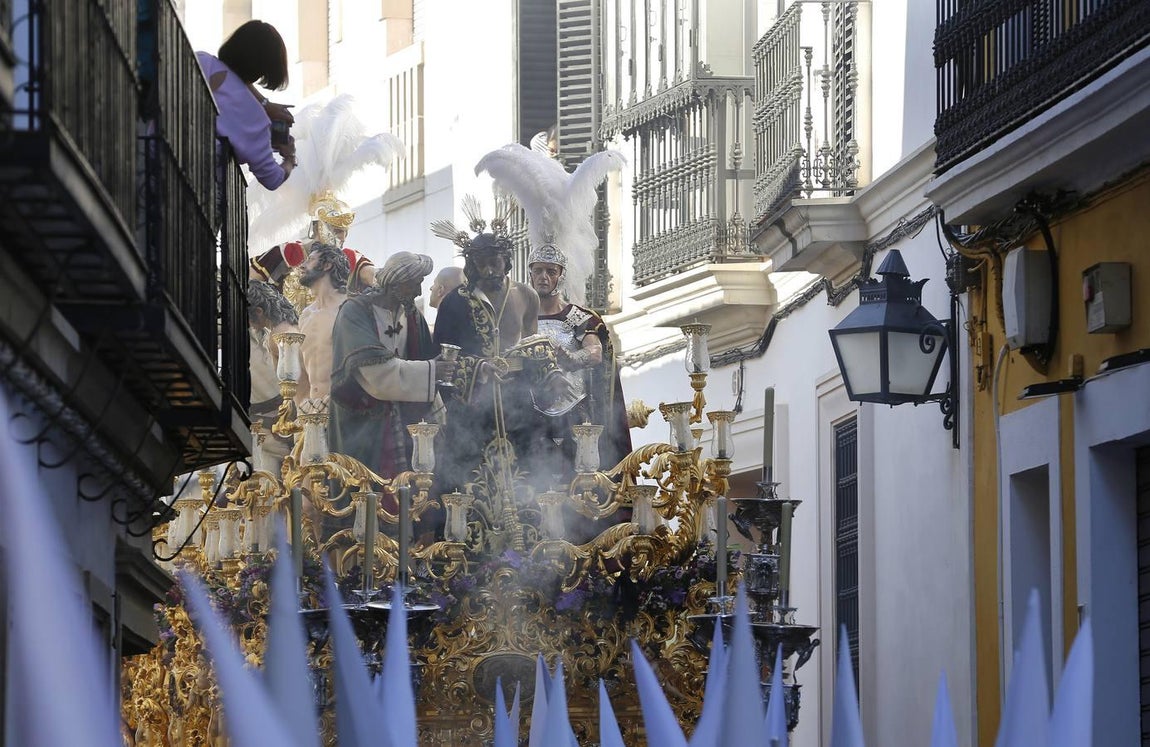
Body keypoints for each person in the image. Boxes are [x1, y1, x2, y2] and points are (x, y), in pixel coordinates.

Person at [431, 224, 565, 493]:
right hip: (472, 403)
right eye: (483, 265)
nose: (490, 270)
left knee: (527, 471)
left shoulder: (526, 296)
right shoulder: (454, 303)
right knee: (469, 476)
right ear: (472, 265)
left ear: (507, 261)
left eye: (496, 263)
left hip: (517, 398)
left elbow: (530, 345)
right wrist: (480, 367)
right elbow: (444, 362)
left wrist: (552, 374)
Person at [329, 252, 451, 480]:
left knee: (409, 492)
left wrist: (438, 411)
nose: (419, 292)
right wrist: (431, 371)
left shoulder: (412, 315)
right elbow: (373, 374)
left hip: (405, 422)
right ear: (395, 283)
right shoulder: (354, 312)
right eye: (414, 285)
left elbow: (426, 359)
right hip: (364, 422)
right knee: (364, 490)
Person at [530, 245, 632, 472]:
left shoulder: (578, 317)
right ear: (530, 274)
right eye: (538, 271)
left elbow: (595, 352)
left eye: (550, 271)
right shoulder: (520, 320)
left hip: (574, 414)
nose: (543, 277)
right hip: (530, 412)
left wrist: (573, 359)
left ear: (561, 276)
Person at [196, 20, 296, 190]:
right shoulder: (256, 119)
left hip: (149, 158)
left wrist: (264, 104)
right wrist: (289, 159)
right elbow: (273, 179)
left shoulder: (202, 61)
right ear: (264, 71)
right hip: (198, 191)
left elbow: (230, 75)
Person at [246, 280, 298, 467]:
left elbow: (290, 384)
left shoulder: (279, 337)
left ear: (259, 312)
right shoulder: (287, 326)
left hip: (290, 419)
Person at [297, 243, 349, 403]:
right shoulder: (305, 315)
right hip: (312, 411)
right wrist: (301, 408)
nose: (302, 265)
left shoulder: (348, 309)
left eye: (310, 260)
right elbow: (301, 372)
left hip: (344, 410)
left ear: (327, 265)